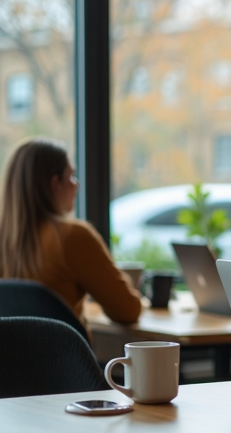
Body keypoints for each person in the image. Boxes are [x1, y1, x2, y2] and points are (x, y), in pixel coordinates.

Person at [0, 138, 142, 326]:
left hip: (10, 356)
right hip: (63, 356)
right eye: (71, 177)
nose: (77, 185)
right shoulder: (71, 237)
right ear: (54, 183)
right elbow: (127, 310)